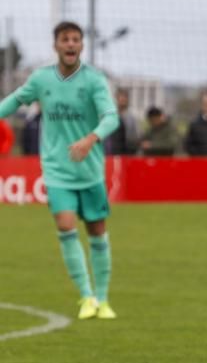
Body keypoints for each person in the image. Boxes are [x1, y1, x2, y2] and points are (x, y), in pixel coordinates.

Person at [0, 21, 122, 319]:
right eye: (65, 39)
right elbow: (15, 100)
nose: (71, 44)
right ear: (56, 45)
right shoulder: (42, 79)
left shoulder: (94, 80)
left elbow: (111, 117)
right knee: (66, 227)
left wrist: (90, 138)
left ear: (82, 45)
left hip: (90, 171)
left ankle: (104, 299)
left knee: (96, 231)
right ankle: (86, 298)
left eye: (76, 39)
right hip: (56, 170)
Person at [105, 88, 139, 155]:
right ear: (116, 98)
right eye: (120, 97)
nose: (123, 99)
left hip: (128, 152)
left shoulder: (133, 117)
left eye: (125, 97)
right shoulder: (110, 115)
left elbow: (136, 136)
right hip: (111, 152)